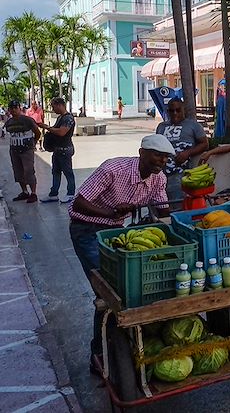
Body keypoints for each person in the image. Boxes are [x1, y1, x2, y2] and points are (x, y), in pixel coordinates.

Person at [68, 134, 174, 375]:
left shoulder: (158, 178)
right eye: (157, 155)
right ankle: (99, 354)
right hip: (87, 230)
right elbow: (79, 203)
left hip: (115, 232)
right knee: (107, 292)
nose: (161, 161)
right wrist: (112, 211)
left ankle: (127, 344)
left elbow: (164, 209)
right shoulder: (114, 169)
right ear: (141, 153)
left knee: (128, 288)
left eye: (165, 158)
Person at [155, 98, 209, 204]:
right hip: (160, 173)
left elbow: (205, 144)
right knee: (160, 205)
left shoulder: (193, 125)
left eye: (178, 110)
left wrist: (187, 153)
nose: (175, 113)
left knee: (176, 204)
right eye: (172, 110)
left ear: (183, 109)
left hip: (181, 173)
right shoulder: (161, 126)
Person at [38, 97, 76, 203]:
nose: (53, 109)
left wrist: (47, 127)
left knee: (68, 172)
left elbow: (61, 132)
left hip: (65, 149)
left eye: (53, 106)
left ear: (60, 105)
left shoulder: (68, 118)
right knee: (56, 172)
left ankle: (71, 193)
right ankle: (53, 194)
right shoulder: (60, 118)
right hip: (58, 149)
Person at [4, 101, 41, 203]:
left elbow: (37, 132)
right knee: (18, 171)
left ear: (19, 108)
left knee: (29, 171)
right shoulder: (9, 122)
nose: (13, 110)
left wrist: (33, 142)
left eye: (15, 107)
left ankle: (33, 193)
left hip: (26, 150)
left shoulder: (28, 120)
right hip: (14, 150)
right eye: (11, 108)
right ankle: (24, 192)